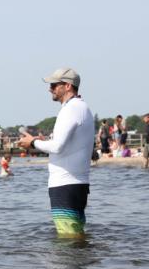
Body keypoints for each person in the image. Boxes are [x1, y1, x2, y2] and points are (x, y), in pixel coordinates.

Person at [18, 68, 96, 238]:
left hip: (65, 184)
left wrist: (32, 142)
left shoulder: (71, 109)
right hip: (75, 183)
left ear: (67, 86)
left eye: (54, 85)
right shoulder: (80, 107)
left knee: (68, 238)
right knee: (75, 235)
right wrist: (43, 141)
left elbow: (57, 147)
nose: (50, 89)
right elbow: (66, 144)